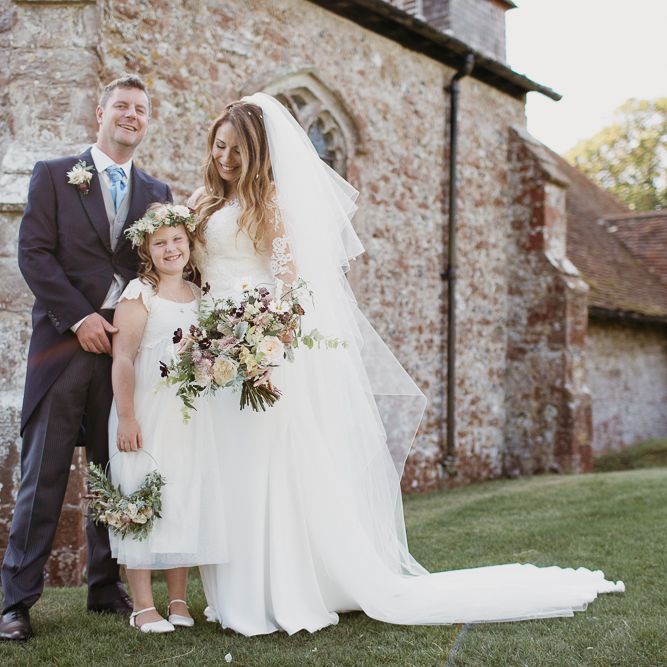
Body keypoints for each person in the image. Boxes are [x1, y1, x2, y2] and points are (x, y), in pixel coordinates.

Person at [193, 94, 624, 637]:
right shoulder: (204, 201)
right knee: (232, 467)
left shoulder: (271, 203)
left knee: (268, 467)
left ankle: (281, 590)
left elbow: (289, 283)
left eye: (238, 150)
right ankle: (237, 591)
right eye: (220, 146)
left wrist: (263, 342)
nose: (226, 158)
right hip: (214, 351)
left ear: (259, 153)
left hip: (260, 348)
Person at [1, 75, 172, 642]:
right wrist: (80, 318)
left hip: (126, 355)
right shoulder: (54, 175)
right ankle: (16, 601)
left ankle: (104, 585)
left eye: (140, 109)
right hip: (64, 345)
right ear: (100, 113)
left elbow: (161, 265)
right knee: (43, 474)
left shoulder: (157, 193)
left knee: (113, 470)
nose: (131, 115)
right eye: (121, 105)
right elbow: (34, 254)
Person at [107, 204, 227, 633]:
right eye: (160, 243)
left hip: (188, 416)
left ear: (189, 244)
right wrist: (126, 417)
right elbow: (123, 358)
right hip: (146, 412)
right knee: (142, 495)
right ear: (147, 249)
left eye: (177, 239)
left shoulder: (198, 295)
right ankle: (142, 605)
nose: (171, 248)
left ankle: (178, 599)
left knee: (182, 498)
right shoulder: (140, 294)